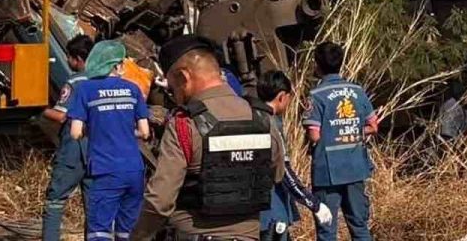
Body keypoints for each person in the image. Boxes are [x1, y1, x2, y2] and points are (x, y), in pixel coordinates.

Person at [131, 35, 285, 241]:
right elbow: (276, 175)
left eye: (173, 86)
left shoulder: (184, 124)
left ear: (183, 77)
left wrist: (139, 236)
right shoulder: (261, 117)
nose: (173, 94)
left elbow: (160, 200)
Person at [68, 40, 150, 241]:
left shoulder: (85, 89)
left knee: (100, 231)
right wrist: (123, 130)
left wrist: (97, 129)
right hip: (134, 170)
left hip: (105, 170)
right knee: (128, 231)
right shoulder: (133, 89)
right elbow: (144, 132)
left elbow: (75, 132)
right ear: (116, 66)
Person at [303, 42, 378, 241]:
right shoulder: (357, 91)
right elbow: (373, 125)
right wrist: (352, 132)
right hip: (355, 167)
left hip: (327, 173)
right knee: (360, 225)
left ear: (317, 64)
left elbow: (314, 134)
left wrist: (330, 133)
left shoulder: (316, 95)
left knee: (327, 228)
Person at [257, 70, 333, 241]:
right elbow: (285, 174)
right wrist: (314, 204)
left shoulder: (248, 116)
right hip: (272, 208)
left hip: (252, 211)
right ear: (282, 96)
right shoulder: (271, 124)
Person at [41, 34, 94, 241]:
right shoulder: (104, 80)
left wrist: (40, 110)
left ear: (78, 59)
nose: (69, 62)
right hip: (97, 150)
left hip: (73, 150)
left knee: (55, 200)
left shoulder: (74, 81)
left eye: (69, 58)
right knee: (94, 206)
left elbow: (62, 115)